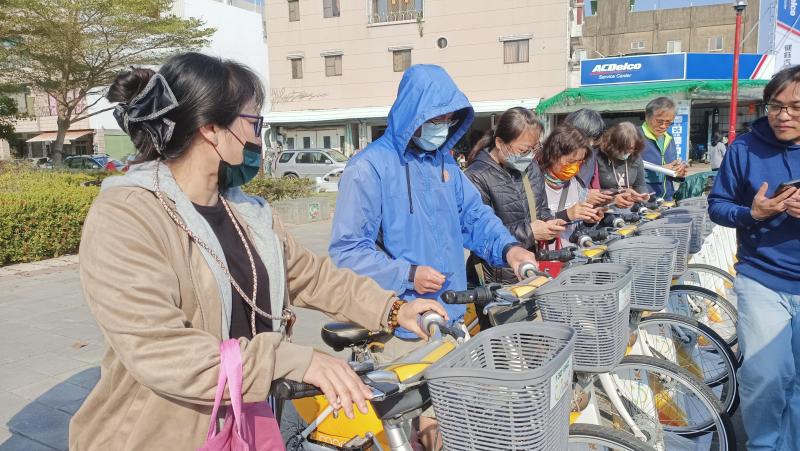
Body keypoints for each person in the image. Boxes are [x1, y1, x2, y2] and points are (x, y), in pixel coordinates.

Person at [69, 53, 445, 450]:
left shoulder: (246, 211)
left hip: (243, 426)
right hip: (155, 432)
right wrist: (294, 359)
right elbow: (161, 351)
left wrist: (393, 308)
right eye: (253, 122)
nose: (258, 139)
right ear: (211, 129)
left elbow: (312, 275)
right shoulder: (128, 215)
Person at [328, 64, 537, 451]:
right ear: (412, 114)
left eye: (447, 118)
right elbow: (346, 253)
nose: (441, 126)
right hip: (401, 327)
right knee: (417, 436)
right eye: (433, 118)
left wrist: (509, 248)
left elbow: (474, 217)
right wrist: (407, 274)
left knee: (452, 430)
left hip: (451, 320)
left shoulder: (444, 165)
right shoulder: (369, 168)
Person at [708, 64, 800, 451]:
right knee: (766, 373)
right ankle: (763, 444)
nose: (783, 115)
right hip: (761, 275)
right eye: (775, 106)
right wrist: (753, 213)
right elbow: (717, 206)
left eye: (796, 107)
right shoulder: (744, 148)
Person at [463, 107, 566, 285]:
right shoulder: (476, 176)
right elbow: (480, 232)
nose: (529, 156)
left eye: (534, 148)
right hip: (495, 277)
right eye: (523, 150)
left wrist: (549, 225)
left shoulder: (531, 168)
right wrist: (531, 232)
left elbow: (541, 209)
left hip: (530, 266)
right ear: (499, 143)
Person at [537, 124, 605, 248]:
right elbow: (530, 227)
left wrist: (589, 220)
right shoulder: (534, 184)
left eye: (579, 162)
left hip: (572, 254)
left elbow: (576, 229)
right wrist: (566, 215)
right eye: (570, 161)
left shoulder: (576, 184)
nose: (574, 167)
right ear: (553, 155)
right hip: (545, 260)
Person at [595, 122, 652, 208]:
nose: (627, 152)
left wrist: (643, 195)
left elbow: (640, 184)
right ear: (613, 145)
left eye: (631, 148)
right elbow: (592, 191)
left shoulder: (635, 156)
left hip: (629, 207)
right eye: (623, 149)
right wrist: (614, 197)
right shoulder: (598, 157)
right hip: (605, 208)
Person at [641, 97, 688, 200]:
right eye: (659, 121)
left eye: (668, 122)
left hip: (667, 199)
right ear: (646, 116)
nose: (663, 126)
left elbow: (672, 168)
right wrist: (661, 170)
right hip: (644, 200)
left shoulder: (669, 138)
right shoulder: (635, 137)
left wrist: (679, 172)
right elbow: (625, 172)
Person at [564, 108, 606, 189]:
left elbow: (595, 188)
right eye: (588, 138)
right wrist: (585, 195)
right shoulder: (554, 156)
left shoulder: (591, 157)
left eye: (594, 139)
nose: (591, 143)